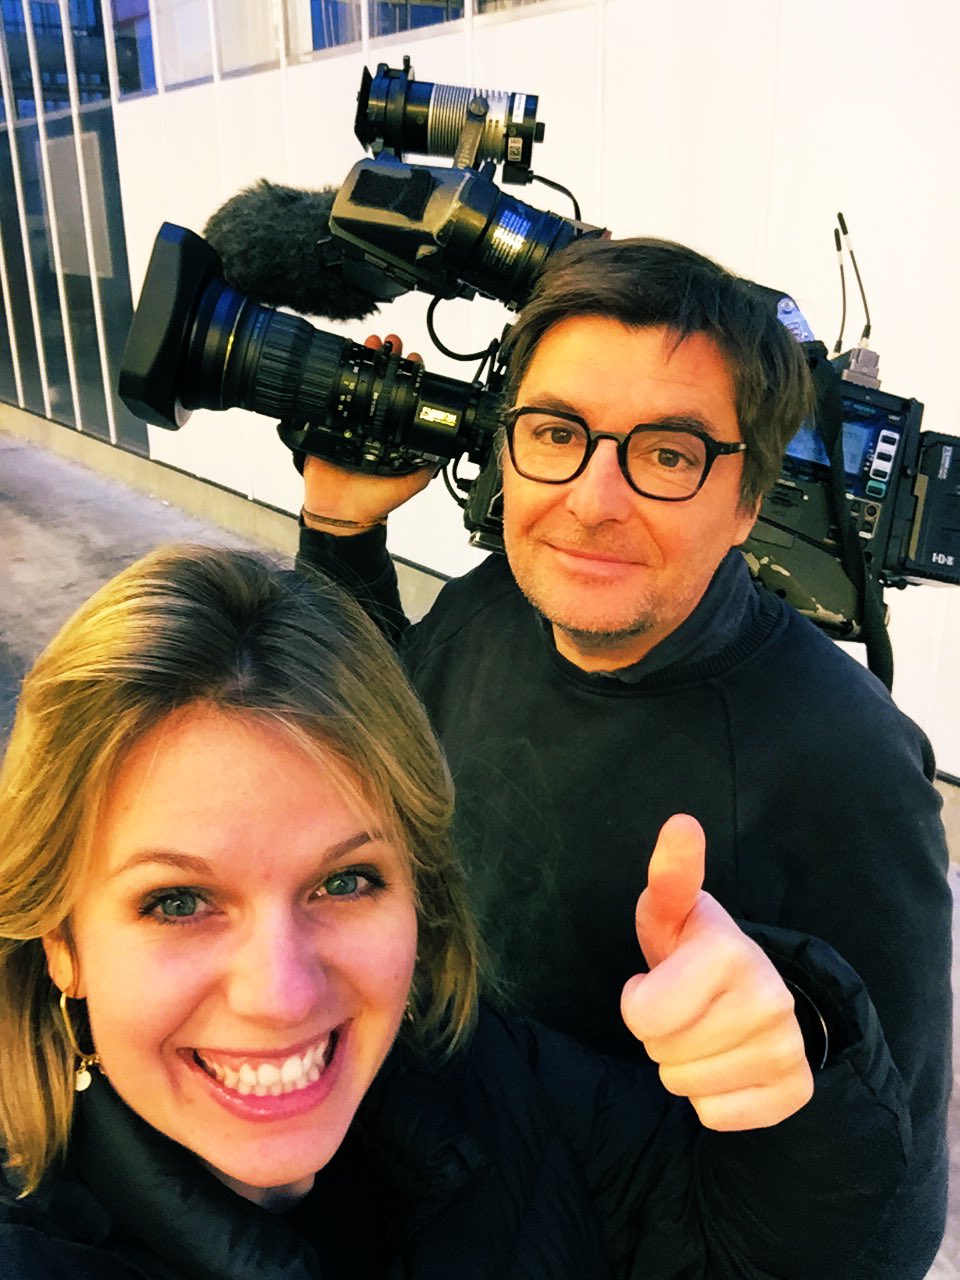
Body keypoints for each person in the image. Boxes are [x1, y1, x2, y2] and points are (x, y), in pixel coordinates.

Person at [297, 236, 954, 1275]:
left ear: (746, 503)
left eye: (667, 454)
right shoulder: (494, 605)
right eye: (558, 433)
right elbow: (375, 746)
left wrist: (803, 1075)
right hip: (420, 1176)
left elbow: (887, 1208)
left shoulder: (849, 764)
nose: (592, 500)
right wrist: (340, 533)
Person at [0, 544, 911, 1279]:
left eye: (345, 882)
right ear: (61, 941)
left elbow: (749, 1248)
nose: (279, 995)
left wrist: (794, 1071)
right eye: (178, 901)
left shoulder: (483, 1076)